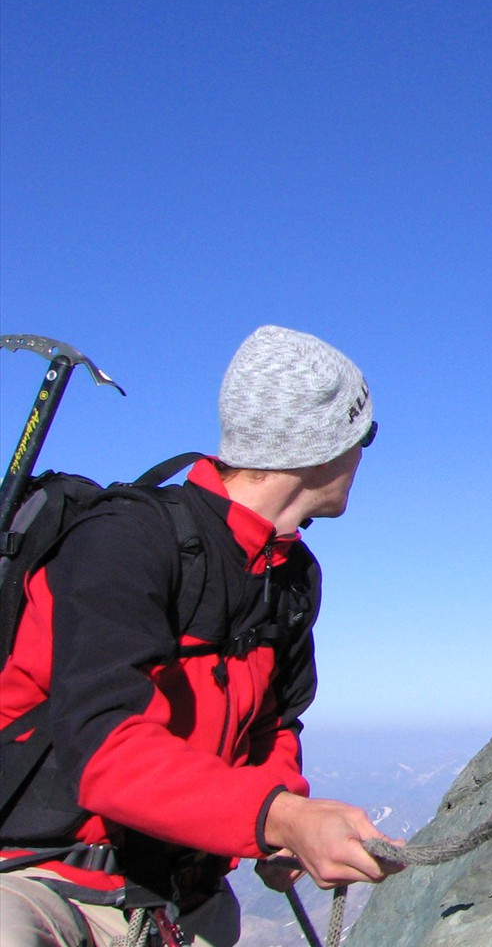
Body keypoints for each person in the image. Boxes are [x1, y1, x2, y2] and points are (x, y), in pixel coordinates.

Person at [0, 326, 397, 947]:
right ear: (325, 443)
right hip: (40, 890)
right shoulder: (126, 541)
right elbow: (104, 749)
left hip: (185, 900)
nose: (366, 454)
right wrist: (280, 818)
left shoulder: (290, 575)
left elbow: (275, 726)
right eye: (365, 434)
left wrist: (279, 811)